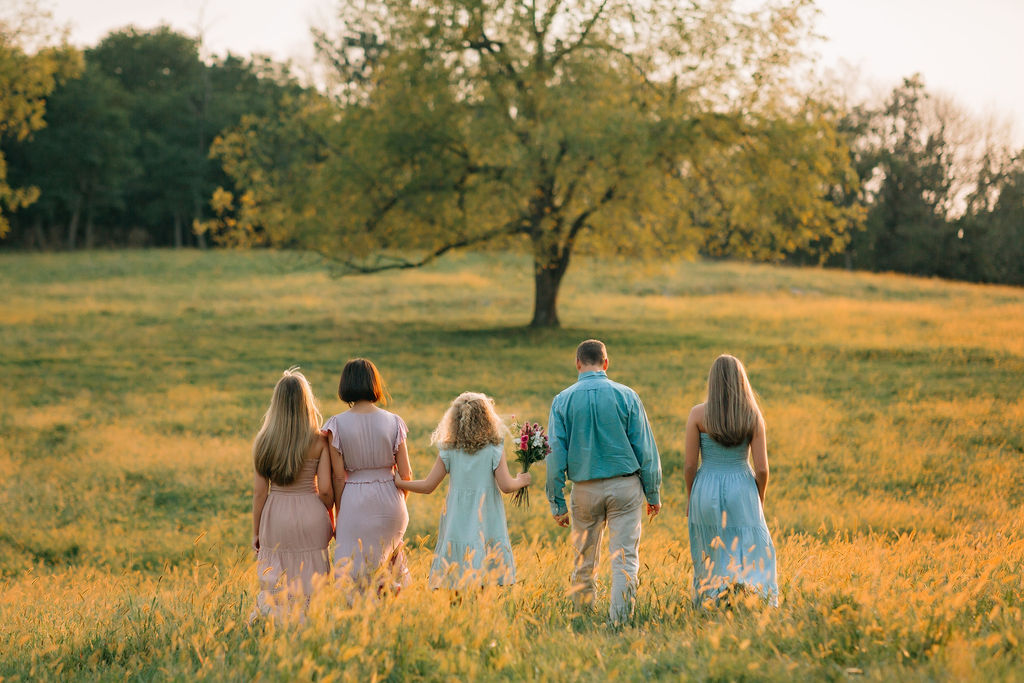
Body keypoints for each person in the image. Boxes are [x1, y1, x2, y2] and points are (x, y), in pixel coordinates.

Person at [546, 339, 662, 624]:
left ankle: (582, 618)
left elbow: (554, 456)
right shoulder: (627, 396)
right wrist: (653, 492)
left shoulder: (562, 400)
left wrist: (557, 501)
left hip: (584, 489)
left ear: (578, 363)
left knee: (583, 560)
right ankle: (619, 622)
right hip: (625, 487)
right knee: (625, 560)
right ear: (606, 363)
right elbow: (645, 449)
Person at [396, 392, 530, 589]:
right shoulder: (494, 448)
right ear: (486, 418)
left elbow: (428, 486)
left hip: (457, 519)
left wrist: (401, 483)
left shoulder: (449, 449)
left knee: (455, 580)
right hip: (487, 517)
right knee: (486, 577)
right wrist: (522, 480)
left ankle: (457, 611)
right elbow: (507, 486)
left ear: (454, 420)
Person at [684, 354, 778, 607]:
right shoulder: (753, 415)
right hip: (742, 487)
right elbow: (762, 469)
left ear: (712, 381)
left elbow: (690, 464)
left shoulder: (697, 414)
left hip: (706, 486)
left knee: (710, 546)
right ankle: (754, 598)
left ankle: (711, 599)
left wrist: (691, 497)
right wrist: (759, 498)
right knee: (753, 547)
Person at [322, 358, 413, 594]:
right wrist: (398, 501)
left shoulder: (336, 425)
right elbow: (407, 474)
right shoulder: (394, 421)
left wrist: (341, 512)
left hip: (354, 499)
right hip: (391, 501)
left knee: (353, 577)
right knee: (391, 569)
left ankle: (361, 622)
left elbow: (339, 477)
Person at [251, 368, 334, 618]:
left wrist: (256, 531)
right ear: (306, 403)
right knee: (313, 579)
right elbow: (327, 490)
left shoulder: (263, 440)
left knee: (277, 581)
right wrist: (328, 515)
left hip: (275, 515)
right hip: (312, 513)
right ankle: (309, 623)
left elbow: (259, 494)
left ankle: (276, 623)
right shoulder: (320, 441)